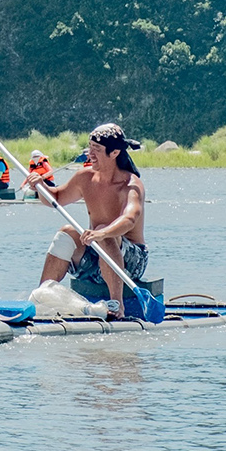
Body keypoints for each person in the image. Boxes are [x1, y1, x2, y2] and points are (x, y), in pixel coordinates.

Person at [35, 123, 147, 317]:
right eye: (89, 148)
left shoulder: (131, 185)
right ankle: (41, 298)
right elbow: (56, 199)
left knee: (105, 231)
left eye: (97, 150)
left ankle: (116, 306)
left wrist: (102, 232)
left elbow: (130, 219)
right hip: (95, 255)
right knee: (67, 232)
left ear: (114, 153)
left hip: (131, 263)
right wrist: (40, 185)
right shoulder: (84, 178)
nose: (90, 154)